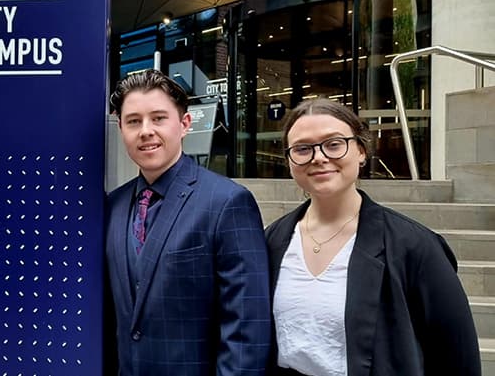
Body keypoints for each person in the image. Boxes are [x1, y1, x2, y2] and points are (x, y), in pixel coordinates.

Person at [265, 98, 480, 376]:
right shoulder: (273, 240)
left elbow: (457, 357)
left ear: (361, 151)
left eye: (333, 144)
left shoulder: (414, 246)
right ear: (289, 161)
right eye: (302, 149)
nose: (318, 157)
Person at [105, 69, 271, 375]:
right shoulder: (113, 206)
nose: (146, 130)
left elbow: (246, 329)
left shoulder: (227, 202)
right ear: (121, 129)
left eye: (158, 118)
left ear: (184, 124)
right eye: (133, 121)